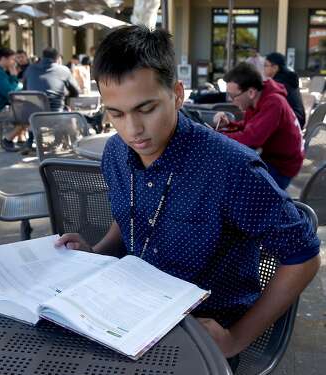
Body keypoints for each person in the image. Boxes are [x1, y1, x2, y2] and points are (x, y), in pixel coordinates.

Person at [55, 26, 320, 371]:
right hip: (131, 312)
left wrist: (236, 338)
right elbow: (131, 212)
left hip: (203, 327)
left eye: (146, 108)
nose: (132, 130)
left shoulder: (230, 168)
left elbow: (304, 256)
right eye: (116, 114)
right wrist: (97, 252)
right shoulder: (115, 154)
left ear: (177, 94)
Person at [214, 62, 304, 190]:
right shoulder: (259, 99)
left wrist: (216, 137)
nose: (231, 101)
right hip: (273, 159)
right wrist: (229, 124)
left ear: (251, 92)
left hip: (282, 168)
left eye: (233, 96)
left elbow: (251, 139)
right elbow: (250, 127)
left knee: (232, 189)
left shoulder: (274, 103)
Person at [22, 47, 79, 154]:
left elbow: (25, 90)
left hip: (33, 116)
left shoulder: (30, 69)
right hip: (56, 115)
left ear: (42, 57)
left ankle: (30, 143)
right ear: (57, 58)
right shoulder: (63, 70)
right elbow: (76, 92)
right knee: (69, 112)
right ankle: (67, 144)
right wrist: (64, 94)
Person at [264, 52, 306, 128]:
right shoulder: (287, 78)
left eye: (266, 65)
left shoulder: (278, 83)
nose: (264, 68)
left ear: (275, 67)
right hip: (298, 120)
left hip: (292, 123)